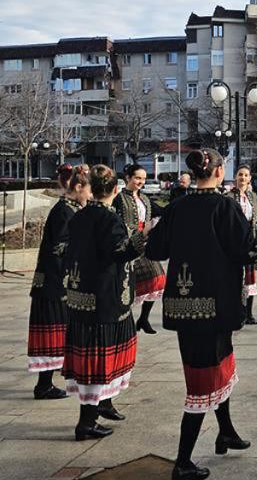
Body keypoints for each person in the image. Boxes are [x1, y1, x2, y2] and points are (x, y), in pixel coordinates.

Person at [145, 148, 253, 480]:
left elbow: (155, 250)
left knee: (217, 367)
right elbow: (245, 249)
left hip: (183, 305)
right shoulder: (225, 207)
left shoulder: (177, 207)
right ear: (219, 172)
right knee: (202, 381)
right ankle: (182, 462)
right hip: (216, 306)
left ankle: (226, 433)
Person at [62, 164, 146, 441]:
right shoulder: (109, 219)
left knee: (91, 355)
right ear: (115, 189)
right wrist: (142, 239)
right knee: (99, 359)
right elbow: (120, 252)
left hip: (80, 295)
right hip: (105, 298)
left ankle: (103, 405)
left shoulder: (80, 215)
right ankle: (86, 421)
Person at [27, 164, 90, 400]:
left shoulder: (70, 208)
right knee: (52, 334)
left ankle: (45, 383)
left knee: (56, 334)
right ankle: (43, 385)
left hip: (55, 282)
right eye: (89, 190)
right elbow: (62, 246)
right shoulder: (65, 210)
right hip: (54, 283)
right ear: (77, 187)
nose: (90, 195)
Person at [114, 164, 166, 335]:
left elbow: (161, 211)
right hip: (127, 244)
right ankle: (123, 316)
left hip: (144, 243)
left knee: (158, 279)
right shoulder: (119, 198)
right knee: (127, 282)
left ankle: (144, 318)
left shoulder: (144, 199)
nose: (141, 182)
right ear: (127, 177)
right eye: (137, 178)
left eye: (143, 179)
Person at [226, 165, 257, 325]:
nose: (243, 178)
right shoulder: (228, 196)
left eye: (246, 175)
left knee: (250, 277)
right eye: (240, 175)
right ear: (236, 177)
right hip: (233, 240)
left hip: (250, 240)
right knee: (234, 277)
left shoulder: (253, 197)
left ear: (249, 179)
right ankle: (236, 312)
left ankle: (249, 313)